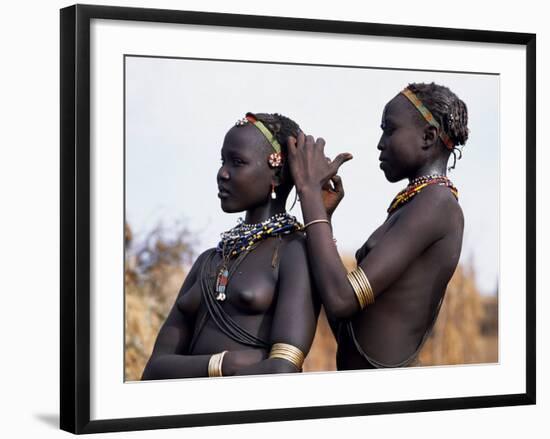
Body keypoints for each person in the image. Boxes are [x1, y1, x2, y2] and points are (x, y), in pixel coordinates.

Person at [287, 82, 469, 369]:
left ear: (428, 136)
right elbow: (348, 324)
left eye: (390, 129)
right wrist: (324, 217)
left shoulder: (437, 204)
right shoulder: (415, 205)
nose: (380, 142)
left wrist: (309, 193)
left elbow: (340, 299)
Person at [141, 112, 319, 380]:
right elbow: (154, 369)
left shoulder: (294, 252)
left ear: (277, 175)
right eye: (223, 161)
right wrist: (226, 364)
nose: (222, 173)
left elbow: (284, 368)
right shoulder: (208, 261)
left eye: (237, 162)